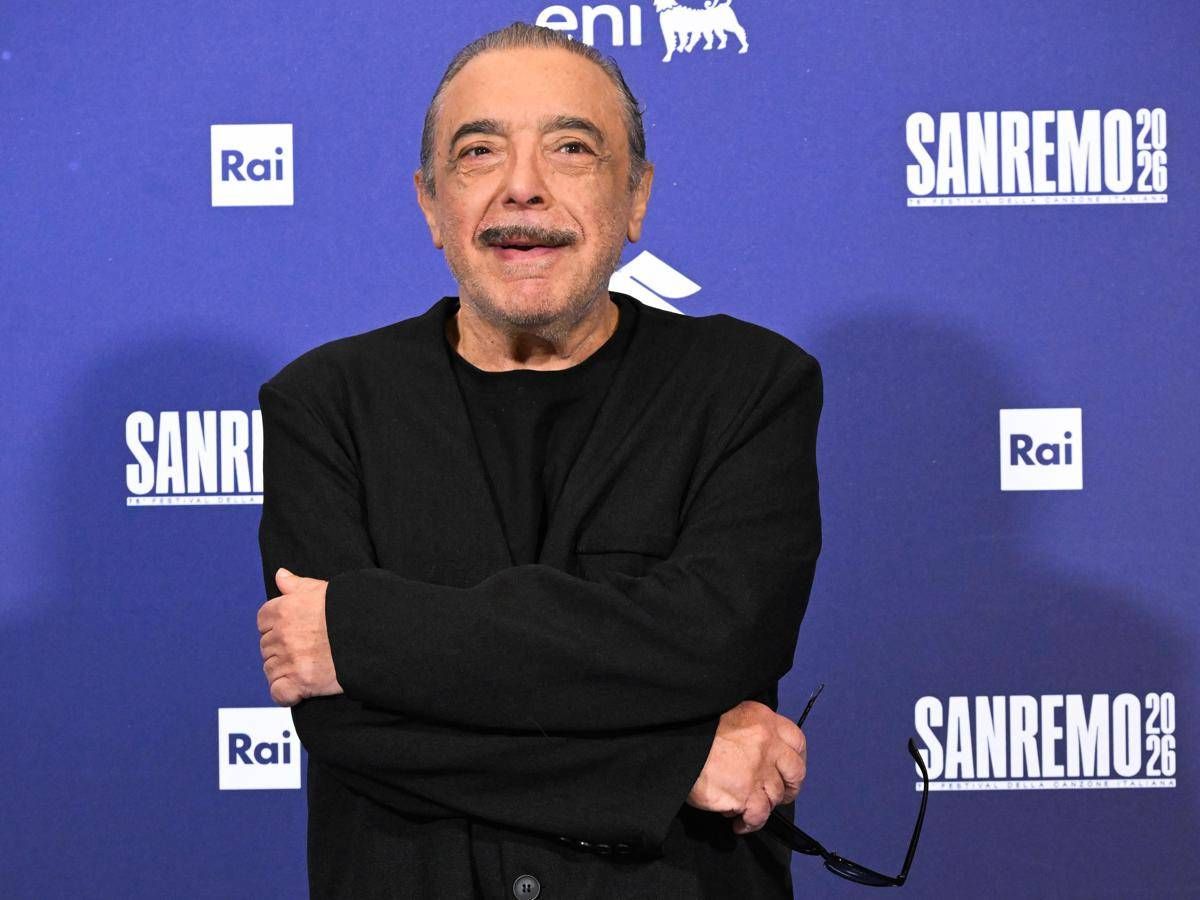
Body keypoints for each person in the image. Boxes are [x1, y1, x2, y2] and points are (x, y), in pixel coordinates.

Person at [255, 21, 822, 900]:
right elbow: (350, 727)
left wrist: (362, 635)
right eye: (479, 152)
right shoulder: (322, 406)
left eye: (571, 148)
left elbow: (713, 641)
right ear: (431, 204)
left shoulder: (751, 387)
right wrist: (672, 765)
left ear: (636, 197)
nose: (522, 187)